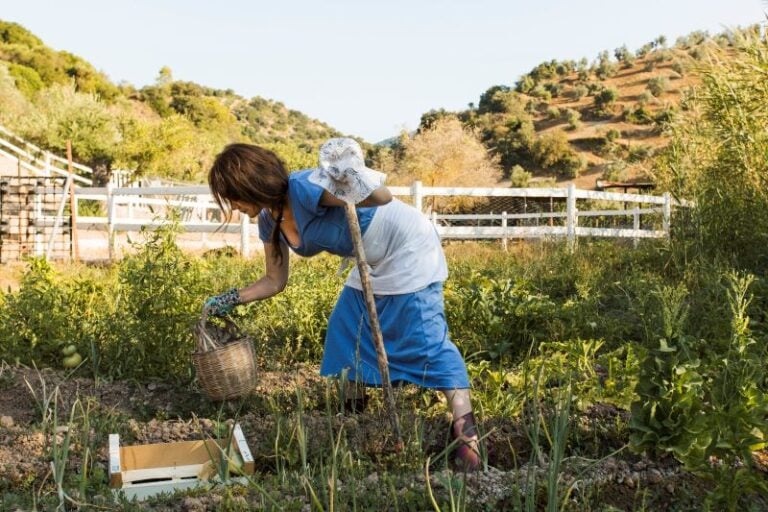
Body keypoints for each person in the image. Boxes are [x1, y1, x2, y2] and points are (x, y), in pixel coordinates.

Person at [203, 138, 481, 470]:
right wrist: (231, 299)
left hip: (407, 245)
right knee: (346, 331)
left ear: (249, 184)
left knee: (426, 340)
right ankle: (354, 424)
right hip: (368, 259)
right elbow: (274, 280)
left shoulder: (305, 188)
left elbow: (382, 197)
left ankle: (468, 438)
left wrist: (350, 175)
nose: (232, 206)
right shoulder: (269, 220)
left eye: (232, 196)